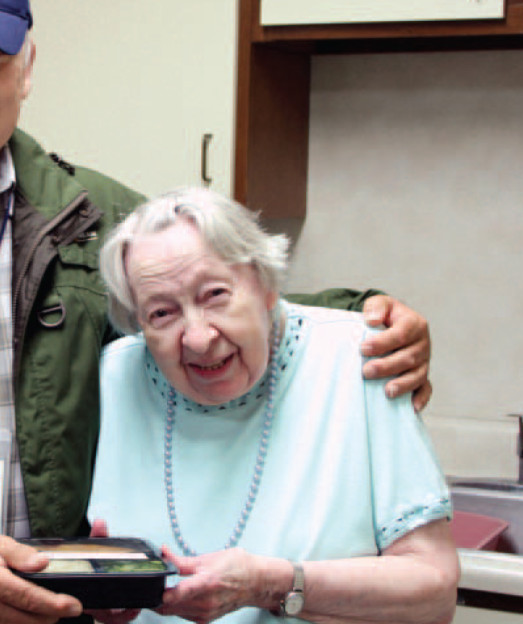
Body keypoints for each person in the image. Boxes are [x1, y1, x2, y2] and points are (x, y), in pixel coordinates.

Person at [0, 1, 434, 622]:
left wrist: (362, 318)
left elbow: (213, 295)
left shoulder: (90, 214)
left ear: (26, 66)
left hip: (54, 611)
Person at [88, 188, 458, 624]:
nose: (198, 338)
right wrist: (102, 602)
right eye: (162, 314)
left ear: (265, 285)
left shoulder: (360, 357)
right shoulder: (117, 374)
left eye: (215, 295)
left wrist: (271, 584)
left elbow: (433, 592)